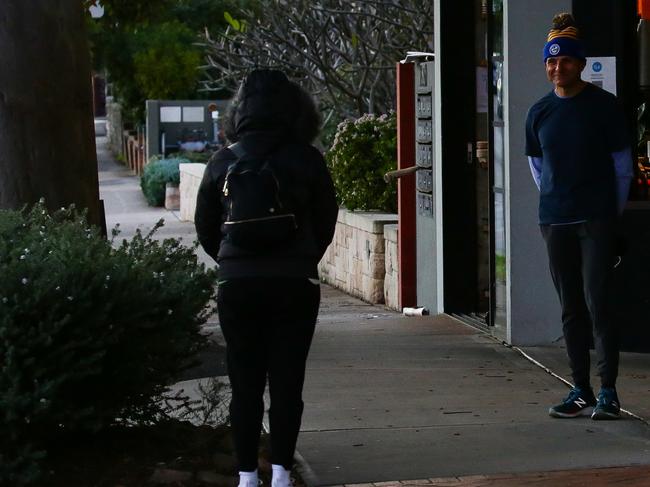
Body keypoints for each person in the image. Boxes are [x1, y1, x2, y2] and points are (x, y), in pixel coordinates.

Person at [195, 70, 338, 487]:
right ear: (296, 110)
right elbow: (325, 222)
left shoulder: (222, 161)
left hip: (237, 284)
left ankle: (245, 477)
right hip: (294, 282)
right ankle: (279, 473)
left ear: (240, 111)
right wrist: (304, 259)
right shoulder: (307, 159)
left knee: (245, 381)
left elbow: (206, 230)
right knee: (287, 381)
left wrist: (233, 263)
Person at [525, 13, 633, 420]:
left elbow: (622, 167)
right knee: (570, 307)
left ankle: (608, 391)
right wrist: (558, 201)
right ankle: (580, 389)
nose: (558, 67)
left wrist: (610, 214)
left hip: (596, 220)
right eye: (551, 62)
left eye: (566, 60)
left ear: (580, 63)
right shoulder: (539, 112)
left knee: (599, 303)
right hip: (555, 220)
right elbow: (538, 168)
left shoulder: (604, 107)